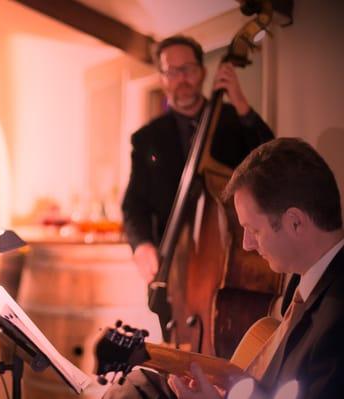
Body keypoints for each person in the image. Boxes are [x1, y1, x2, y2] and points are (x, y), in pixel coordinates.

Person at [104, 138, 344, 398]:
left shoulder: (337, 320)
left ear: (295, 223)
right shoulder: (305, 279)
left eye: (254, 230)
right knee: (139, 384)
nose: (246, 244)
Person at [121, 35, 274, 283]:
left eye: (188, 69)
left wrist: (240, 102)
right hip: (174, 266)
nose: (182, 78)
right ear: (161, 78)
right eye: (172, 71)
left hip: (232, 261)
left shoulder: (234, 119)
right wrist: (142, 246)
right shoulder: (146, 138)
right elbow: (134, 204)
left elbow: (270, 157)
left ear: (203, 72)